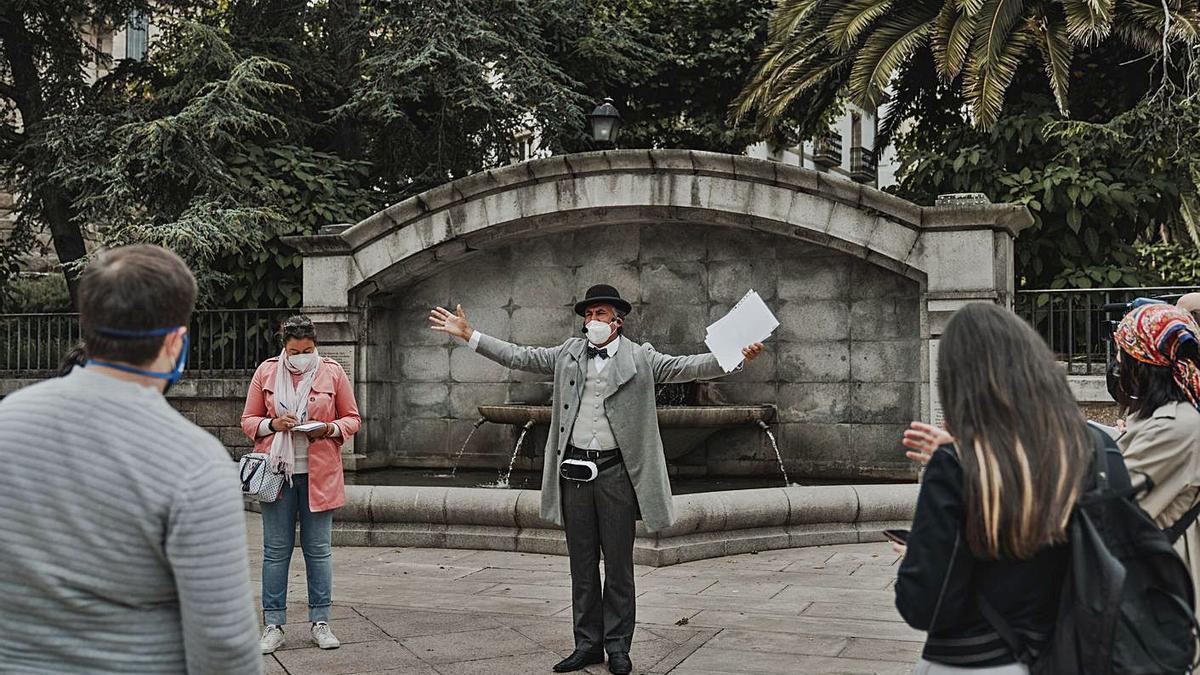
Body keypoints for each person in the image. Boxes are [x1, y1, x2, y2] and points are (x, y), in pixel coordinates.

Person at [430, 284, 763, 675]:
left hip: (616, 473)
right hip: (574, 473)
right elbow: (520, 356)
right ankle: (587, 644)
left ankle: (618, 646)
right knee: (582, 565)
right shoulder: (568, 353)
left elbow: (690, 366)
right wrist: (470, 335)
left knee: (619, 565)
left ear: (617, 321)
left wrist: (736, 356)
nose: (592, 321)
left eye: (600, 314)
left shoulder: (642, 357)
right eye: (587, 315)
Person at [0, 245, 261, 674]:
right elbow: (223, 645)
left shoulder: (8, 420)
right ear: (176, 342)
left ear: (88, 326)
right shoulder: (195, 463)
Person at [894, 302, 1122, 674]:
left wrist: (917, 555)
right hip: (1061, 656)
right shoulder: (1087, 450)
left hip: (974, 661)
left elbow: (925, 605)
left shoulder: (957, 466)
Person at [241, 315, 361, 654]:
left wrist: (329, 429)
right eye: (295, 350)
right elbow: (248, 420)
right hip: (277, 475)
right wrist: (273, 424)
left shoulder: (333, 372)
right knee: (275, 552)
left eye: (308, 349)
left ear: (315, 345)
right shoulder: (266, 372)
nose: (302, 355)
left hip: (319, 472)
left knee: (318, 551)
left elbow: (352, 418)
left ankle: (320, 621)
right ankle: (274, 624)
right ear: (285, 347)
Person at [1110, 302, 1200, 610]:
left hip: (1159, 597)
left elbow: (1111, 504)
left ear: (1142, 364)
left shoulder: (1177, 428)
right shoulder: (1158, 419)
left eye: (1123, 352)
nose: (1117, 362)